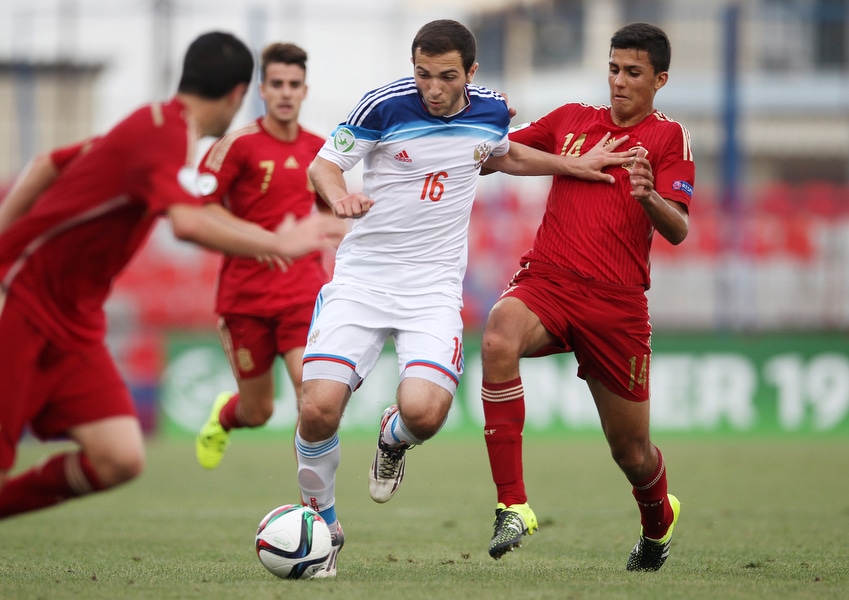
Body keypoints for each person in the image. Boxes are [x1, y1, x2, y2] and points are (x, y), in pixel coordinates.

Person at [296, 19, 634, 577]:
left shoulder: (492, 110)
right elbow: (325, 164)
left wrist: (571, 165)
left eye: (446, 77)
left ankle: (394, 436)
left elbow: (502, 156)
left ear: (471, 73)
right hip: (363, 280)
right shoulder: (383, 105)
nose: (432, 88)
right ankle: (321, 526)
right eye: (423, 74)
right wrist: (338, 198)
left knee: (424, 415)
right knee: (317, 408)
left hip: (432, 290)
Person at [0, 31, 343, 521]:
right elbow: (188, 222)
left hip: (74, 317)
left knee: (118, 457)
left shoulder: (156, 126)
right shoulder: (167, 135)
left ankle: (317, 511)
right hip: (23, 296)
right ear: (241, 93)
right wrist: (276, 242)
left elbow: (42, 165)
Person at [479, 22, 695, 571]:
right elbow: (494, 155)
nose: (619, 81)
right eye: (614, 68)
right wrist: (486, 120)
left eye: (633, 72)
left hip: (617, 305)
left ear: (660, 80)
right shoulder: (571, 118)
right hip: (549, 281)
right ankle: (512, 505)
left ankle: (657, 524)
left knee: (632, 453)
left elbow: (678, 228)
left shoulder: (669, 137)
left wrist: (649, 197)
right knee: (499, 335)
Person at [194, 42, 332, 471]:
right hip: (246, 297)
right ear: (262, 90)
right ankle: (224, 417)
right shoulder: (237, 145)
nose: (285, 92)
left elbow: (332, 213)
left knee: (310, 394)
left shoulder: (320, 150)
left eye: (293, 84)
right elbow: (201, 206)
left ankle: (313, 501)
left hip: (301, 293)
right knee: (258, 412)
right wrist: (263, 239)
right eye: (277, 84)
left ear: (305, 90)